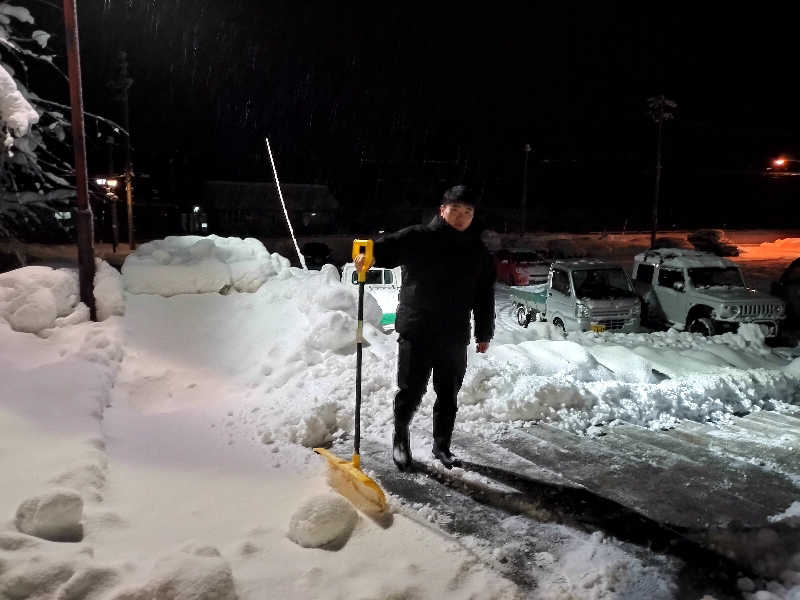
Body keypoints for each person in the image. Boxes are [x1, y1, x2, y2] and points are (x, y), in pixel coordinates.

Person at [355, 184, 496, 471]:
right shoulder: (419, 238)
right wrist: (364, 256)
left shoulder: (478, 252)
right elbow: (378, 250)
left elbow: (484, 295)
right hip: (417, 331)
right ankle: (400, 439)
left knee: (448, 395)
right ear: (442, 210)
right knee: (411, 391)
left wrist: (484, 332)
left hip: (455, 335)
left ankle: (441, 445)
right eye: (454, 210)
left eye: (467, 212)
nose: (460, 217)